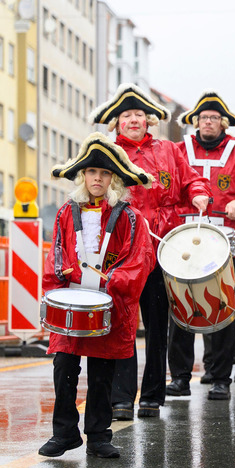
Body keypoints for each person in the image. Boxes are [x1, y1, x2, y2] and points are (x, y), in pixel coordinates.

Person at [90, 83, 210, 420]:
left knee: (158, 326)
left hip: (162, 248)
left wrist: (199, 193)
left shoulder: (170, 150)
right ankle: (121, 398)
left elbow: (190, 181)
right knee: (122, 325)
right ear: (116, 122)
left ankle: (153, 396)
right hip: (122, 252)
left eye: (139, 115)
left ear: (149, 120)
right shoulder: (108, 152)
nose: (132, 120)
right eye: (126, 115)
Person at [39, 133, 155, 458]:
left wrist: (113, 281)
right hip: (73, 303)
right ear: (83, 176)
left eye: (105, 174)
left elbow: (140, 260)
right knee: (64, 367)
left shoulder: (131, 218)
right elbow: (57, 254)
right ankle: (64, 434)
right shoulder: (66, 212)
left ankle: (99, 436)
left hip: (110, 305)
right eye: (92, 173)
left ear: (114, 178)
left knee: (103, 373)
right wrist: (56, 289)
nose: (98, 179)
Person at [172, 91, 235, 399]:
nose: (207, 123)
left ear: (224, 123)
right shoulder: (179, 150)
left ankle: (220, 378)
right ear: (195, 121)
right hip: (184, 240)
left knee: (223, 309)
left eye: (214, 118)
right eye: (203, 118)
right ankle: (179, 376)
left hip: (226, 242)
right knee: (180, 309)